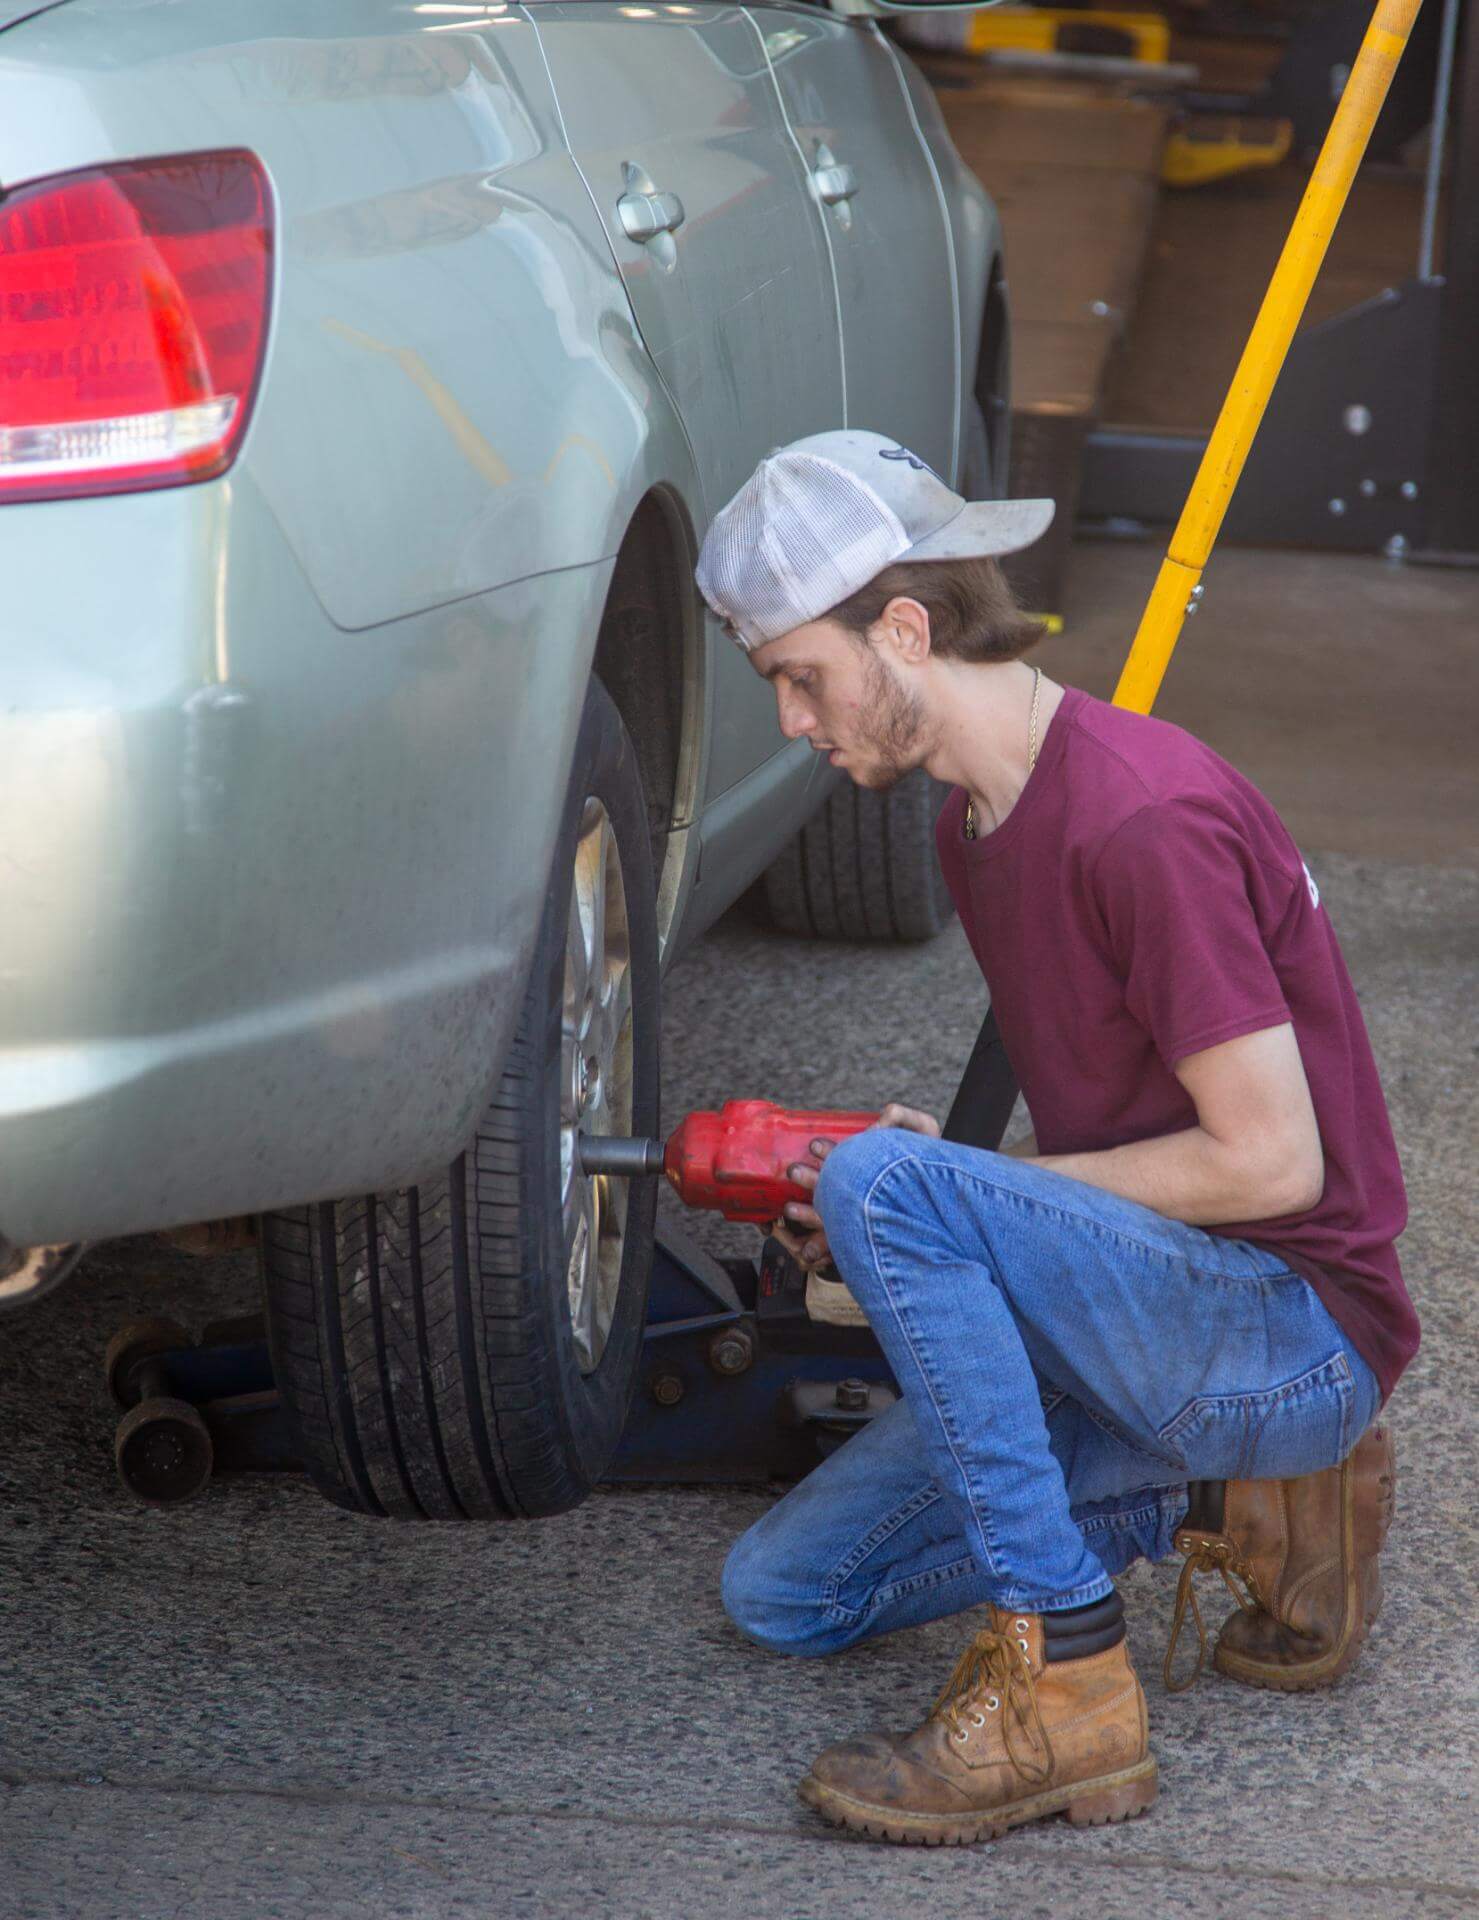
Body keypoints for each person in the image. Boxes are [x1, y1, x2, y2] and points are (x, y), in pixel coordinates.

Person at [695, 429, 1417, 1847]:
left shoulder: (1140, 819)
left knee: (894, 1185)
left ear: (904, 629)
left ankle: (1068, 1672)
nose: (793, 720)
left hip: (1288, 1327)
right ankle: (1222, 1495)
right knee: (783, 1597)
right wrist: (951, 1198)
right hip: (1159, 1316)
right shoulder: (980, 820)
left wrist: (955, 1194)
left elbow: (1275, 1166)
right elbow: (1109, 1117)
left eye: (801, 676)